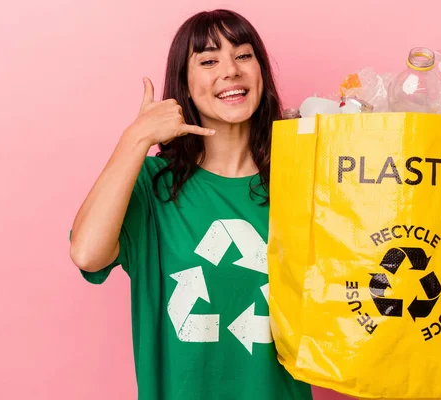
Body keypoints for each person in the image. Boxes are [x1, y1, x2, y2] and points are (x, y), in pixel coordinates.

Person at [69, 8, 313, 400]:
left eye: (244, 55)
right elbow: (87, 253)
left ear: (261, 71)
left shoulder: (303, 179)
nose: (230, 70)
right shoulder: (152, 185)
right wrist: (136, 138)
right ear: (184, 83)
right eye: (209, 60)